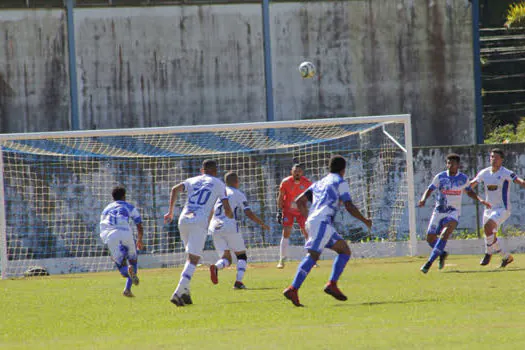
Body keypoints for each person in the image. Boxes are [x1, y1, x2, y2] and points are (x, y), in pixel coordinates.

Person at [283, 155, 372, 307]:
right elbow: (349, 205)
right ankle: (293, 288)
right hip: (322, 223)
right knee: (313, 255)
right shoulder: (339, 182)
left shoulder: (320, 182)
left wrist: (309, 217)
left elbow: (299, 201)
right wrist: (365, 220)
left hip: (318, 222)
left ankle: (332, 284)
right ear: (343, 170)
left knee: (344, 250)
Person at [164, 159, 233, 307]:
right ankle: (178, 291)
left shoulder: (192, 180)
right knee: (193, 259)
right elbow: (226, 207)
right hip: (199, 221)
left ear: (202, 170)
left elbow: (174, 189)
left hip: (183, 219)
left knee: (190, 258)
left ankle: (186, 294)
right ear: (215, 171)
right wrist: (229, 215)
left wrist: (170, 212)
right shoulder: (219, 183)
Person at [419, 153, 490, 273]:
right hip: (439, 211)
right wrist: (423, 199)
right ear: (446, 164)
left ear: (458, 165)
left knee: (444, 234)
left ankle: (428, 263)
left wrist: (480, 199)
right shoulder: (440, 177)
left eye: (453, 163)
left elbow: (469, 191)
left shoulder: (463, 178)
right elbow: (430, 189)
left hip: (453, 212)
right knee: (430, 238)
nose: (451, 165)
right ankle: (442, 253)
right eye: (449, 163)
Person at [209, 172, 270, 289]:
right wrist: (262, 224)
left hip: (214, 227)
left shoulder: (218, 194)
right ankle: (238, 282)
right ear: (236, 181)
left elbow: (211, 211)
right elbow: (248, 212)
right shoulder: (237, 193)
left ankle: (216, 267)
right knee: (241, 256)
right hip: (230, 226)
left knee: (226, 259)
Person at [470, 148, 525, 267]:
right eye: (491, 157)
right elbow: (472, 184)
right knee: (490, 234)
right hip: (489, 208)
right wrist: (461, 188)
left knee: (488, 227)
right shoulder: (484, 172)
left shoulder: (505, 172)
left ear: (502, 160)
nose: (493, 159)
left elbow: (518, 181)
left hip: (503, 209)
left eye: (496, 157)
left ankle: (488, 253)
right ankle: (506, 257)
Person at [100, 186, 144, 297]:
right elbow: (139, 224)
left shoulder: (106, 209)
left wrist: (107, 242)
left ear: (113, 197)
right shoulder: (129, 206)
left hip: (111, 235)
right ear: (124, 196)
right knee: (133, 262)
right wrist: (139, 240)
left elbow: (102, 226)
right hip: (126, 233)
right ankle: (127, 289)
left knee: (121, 267)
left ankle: (126, 271)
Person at [276, 162, 312, 268]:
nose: (297, 173)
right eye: (295, 171)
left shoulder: (307, 183)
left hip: (301, 211)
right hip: (288, 210)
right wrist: (279, 211)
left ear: (302, 173)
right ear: (291, 172)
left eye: (299, 171)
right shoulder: (286, 182)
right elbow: (281, 197)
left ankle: (310, 258)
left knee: (306, 232)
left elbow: (312, 196)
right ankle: (282, 259)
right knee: (286, 232)